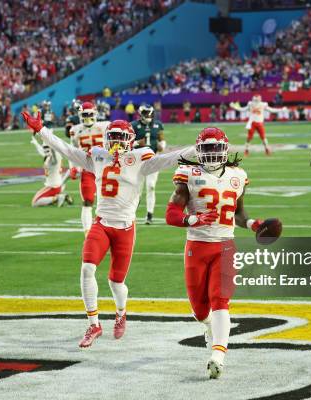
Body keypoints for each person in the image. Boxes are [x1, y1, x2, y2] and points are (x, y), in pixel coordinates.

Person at [21, 111, 194, 348]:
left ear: (130, 141)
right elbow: (66, 149)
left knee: (116, 283)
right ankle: (94, 324)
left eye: (120, 138)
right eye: (112, 137)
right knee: (86, 269)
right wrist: (41, 130)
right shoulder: (98, 157)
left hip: (125, 228)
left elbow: (171, 158)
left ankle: (121, 313)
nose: (115, 143)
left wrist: (200, 148)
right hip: (101, 223)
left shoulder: (140, 159)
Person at [165, 127, 268, 379]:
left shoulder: (237, 176)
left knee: (220, 300)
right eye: (207, 148)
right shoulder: (188, 174)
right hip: (197, 246)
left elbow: (239, 214)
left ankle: (218, 356)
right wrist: (193, 219)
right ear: (198, 151)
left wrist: (254, 224)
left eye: (215, 148)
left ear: (224, 149)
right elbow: (171, 214)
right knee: (201, 311)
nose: (211, 153)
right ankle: (210, 327)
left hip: (225, 245)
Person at [70, 102, 111, 235]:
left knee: (109, 200)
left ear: (95, 114)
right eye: (85, 114)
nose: (87, 117)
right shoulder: (75, 130)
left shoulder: (105, 126)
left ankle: (110, 228)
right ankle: (87, 232)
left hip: (105, 168)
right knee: (87, 201)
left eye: (89, 114)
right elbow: (73, 151)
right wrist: (73, 167)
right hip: (87, 168)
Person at [132, 104, 166, 224]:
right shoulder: (134, 125)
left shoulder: (157, 125)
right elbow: (128, 143)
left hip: (153, 159)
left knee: (151, 187)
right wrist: (137, 143)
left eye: (150, 113)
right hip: (138, 160)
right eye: (146, 113)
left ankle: (149, 215)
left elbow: (162, 139)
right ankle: (131, 213)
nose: (149, 116)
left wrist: (162, 145)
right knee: (137, 188)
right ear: (141, 114)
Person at [30, 136, 72, 207]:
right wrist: (36, 144)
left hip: (53, 186)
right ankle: (57, 197)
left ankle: (58, 198)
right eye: (45, 148)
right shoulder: (50, 156)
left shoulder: (53, 158)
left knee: (35, 202)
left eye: (47, 147)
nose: (46, 150)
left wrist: (52, 146)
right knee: (37, 198)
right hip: (57, 184)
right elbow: (42, 152)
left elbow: (54, 158)